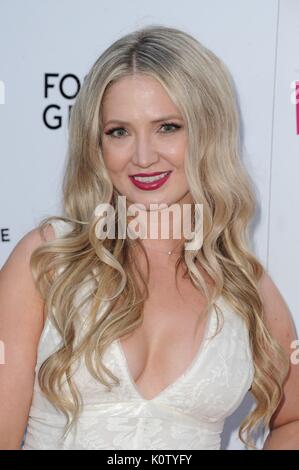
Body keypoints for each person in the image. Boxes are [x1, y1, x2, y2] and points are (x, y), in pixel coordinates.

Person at [0, 24, 298, 451]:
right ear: (96, 143)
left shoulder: (245, 287)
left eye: (167, 127)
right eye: (118, 131)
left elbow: (293, 420)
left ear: (207, 131)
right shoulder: (47, 261)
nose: (142, 156)